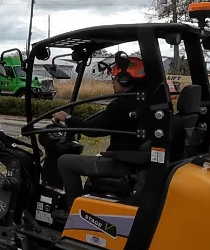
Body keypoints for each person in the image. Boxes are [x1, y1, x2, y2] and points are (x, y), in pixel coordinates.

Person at [54, 55, 146, 208]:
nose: (112, 83)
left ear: (125, 80)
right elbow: (104, 121)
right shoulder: (147, 102)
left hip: (121, 164)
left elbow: (93, 130)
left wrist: (68, 118)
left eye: (114, 78)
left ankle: (73, 209)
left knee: (64, 162)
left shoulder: (121, 105)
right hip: (136, 162)